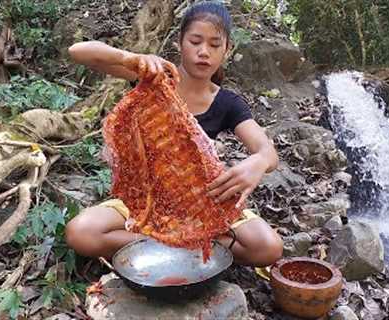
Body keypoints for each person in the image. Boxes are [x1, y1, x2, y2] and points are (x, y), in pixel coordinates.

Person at [65, 1, 283, 267]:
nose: (204, 52)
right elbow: (78, 51)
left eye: (215, 45)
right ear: (180, 43)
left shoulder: (227, 103)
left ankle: (170, 243)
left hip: (202, 204)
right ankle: (187, 244)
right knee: (80, 232)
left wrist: (258, 163)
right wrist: (129, 59)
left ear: (226, 50)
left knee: (268, 248)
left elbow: (267, 152)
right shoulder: (156, 78)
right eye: (195, 41)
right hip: (147, 199)